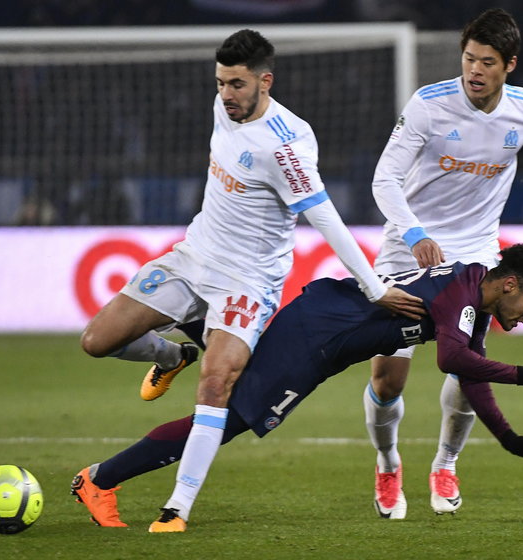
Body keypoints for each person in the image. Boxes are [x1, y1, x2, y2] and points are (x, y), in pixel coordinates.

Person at [74, 29, 425, 531]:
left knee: (216, 385)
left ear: (266, 81)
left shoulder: (287, 147)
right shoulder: (225, 109)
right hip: (193, 257)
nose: (226, 95)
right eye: (220, 83)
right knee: (96, 340)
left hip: (247, 282)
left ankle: (176, 509)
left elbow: (326, 219)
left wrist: (374, 287)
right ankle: (172, 355)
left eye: (236, 84)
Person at [71, 243, 523, 531]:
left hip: (323, 326)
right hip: (317, 337)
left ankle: (186, 347)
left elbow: (468, 370)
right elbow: (453, 359)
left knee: (228, 387)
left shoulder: (472, 293)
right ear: (511, 284)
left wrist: (509, 438)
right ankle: (100, 480)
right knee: (227, 420)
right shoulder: (462, 295)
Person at [364, 8, 523, 519]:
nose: (474, 71)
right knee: (388, 378)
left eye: (486, 62)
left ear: (509, 64)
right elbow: (384, 179)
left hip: (476, 255)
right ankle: (388, 461)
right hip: (408, 250)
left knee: (467, 368)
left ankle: (446, 462)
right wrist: (414, 233)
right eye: (468, 59)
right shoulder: (428, 105)